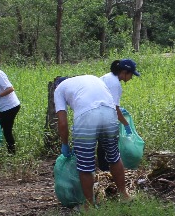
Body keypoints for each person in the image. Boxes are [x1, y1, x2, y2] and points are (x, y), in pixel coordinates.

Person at [53, 75, 129, 206]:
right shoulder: (92, 78)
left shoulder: (59, 88)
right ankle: (124, 195)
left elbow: (63, 123)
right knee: (114, 156)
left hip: (87, 118)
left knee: (85, 165)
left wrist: (65, 144)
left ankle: (89, 205)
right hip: (109, 113)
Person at [100, 58, 140, 132]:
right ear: (124, 72)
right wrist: (126, 124)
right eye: (131, 75)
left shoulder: (109, 76)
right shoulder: (115, 84)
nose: (131, 78)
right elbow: (115, 109)